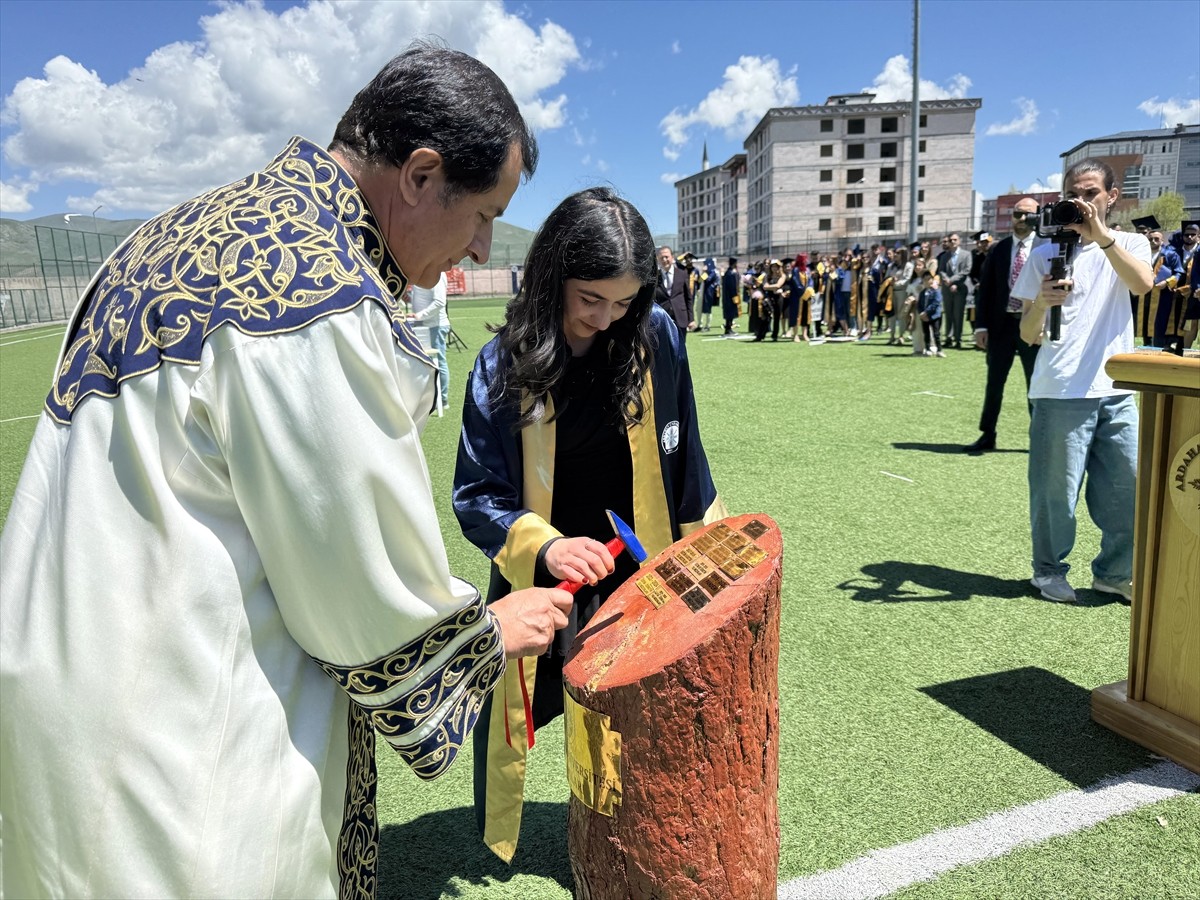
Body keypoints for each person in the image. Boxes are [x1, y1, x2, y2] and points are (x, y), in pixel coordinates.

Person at [0, 44, 576, 899]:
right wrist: (489, 634)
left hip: (60, 706)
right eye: (485, 213)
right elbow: (362, 585)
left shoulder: (161, 236)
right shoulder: (313, 290)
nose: (483, 245)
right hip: (181, 753)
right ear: (421, 175)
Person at [452, 187, 727, 861]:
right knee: (538, 704)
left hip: (641, 561)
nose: (608, 319)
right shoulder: (502, 366)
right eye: (590, 300)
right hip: (553, 571)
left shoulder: (655, 335)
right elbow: (477, 493)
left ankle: (609, 842)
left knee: (627, 714)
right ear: (553, 280)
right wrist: (547, 549)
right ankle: (559, 839)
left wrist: (709, 557)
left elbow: (684, 450)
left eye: (624, 302)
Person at [1015, 159, 1153, 604]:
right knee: (1056, 494)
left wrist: (1102, 237)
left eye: (1091, 192)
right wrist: (1041, 301)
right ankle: (1048, 571)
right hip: (1059, 388)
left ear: (1112, 197)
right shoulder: (1044, 253)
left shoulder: (1129, 242)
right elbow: (1027, 333)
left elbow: (1142, 284)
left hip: (1115, 389)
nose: (1082, 201)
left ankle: (1114, 573)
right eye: (1074, 193)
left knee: (1128, 490)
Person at [964, 197, 1042, 454]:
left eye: (1027, 215)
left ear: (1037, 217)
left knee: (1037, 384)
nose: (1021, 219)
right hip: (1000, 327)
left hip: (1032, 325)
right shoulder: (999, 249)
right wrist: (980, 327)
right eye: (1017, 214)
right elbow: (985, 290)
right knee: (994, 383)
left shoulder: (1046, 248)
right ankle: (988, 434)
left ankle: (1040, 437)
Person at [409, 270, 452, 407]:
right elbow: (423, 298)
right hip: (423, 325)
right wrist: (409, 298)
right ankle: (429, 397)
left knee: (438, 361)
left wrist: (421, 315)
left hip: (436, 325)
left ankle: (442, 399)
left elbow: (439, 302)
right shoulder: (422, 271)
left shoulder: (438, 273)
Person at [937, 233, 972, 348]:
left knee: (958, 314)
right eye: (951, 240)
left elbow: (966, 270)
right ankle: (948, 337)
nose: (953, 242)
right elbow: (941, 270)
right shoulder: (944, 256)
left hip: (960, 288)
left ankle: (958, 339)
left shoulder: (966, 255)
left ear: (959, 241)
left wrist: (952, 281)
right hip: (947, 289)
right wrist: (947, 281)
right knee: (948, 314)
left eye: (955, 240)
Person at [654, 244, 694, 338]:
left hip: (681, 317)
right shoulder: (655, 277)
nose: (664, 260)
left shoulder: (682, 274)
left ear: (672, 257)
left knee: (681, 349)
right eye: (661, 258)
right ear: (658, 259)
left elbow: (688, 298)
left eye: (666, 257)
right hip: (663, 318)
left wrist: (691, 319)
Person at [916, 269, 945, 357]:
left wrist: (926, 312)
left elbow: (936, 303)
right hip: (924, 317)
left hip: (934, 316)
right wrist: (921, 313)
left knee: (936, 333)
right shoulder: (922, 293)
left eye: (929, 279)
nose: (927, 281)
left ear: (932, 280)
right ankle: (927, 349)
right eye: (925, 279)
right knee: (926, 333)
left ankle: (939, 350)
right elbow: (919, 304)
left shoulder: (936, 291)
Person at [721, 256, 741, 335]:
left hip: (726, 296)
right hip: (732, 296)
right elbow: (733, 286)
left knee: (729, 313)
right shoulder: (732, 273)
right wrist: (735, 297)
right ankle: (728, 329)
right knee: (731, 313)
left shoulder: (727, 272)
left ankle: (728, 328)